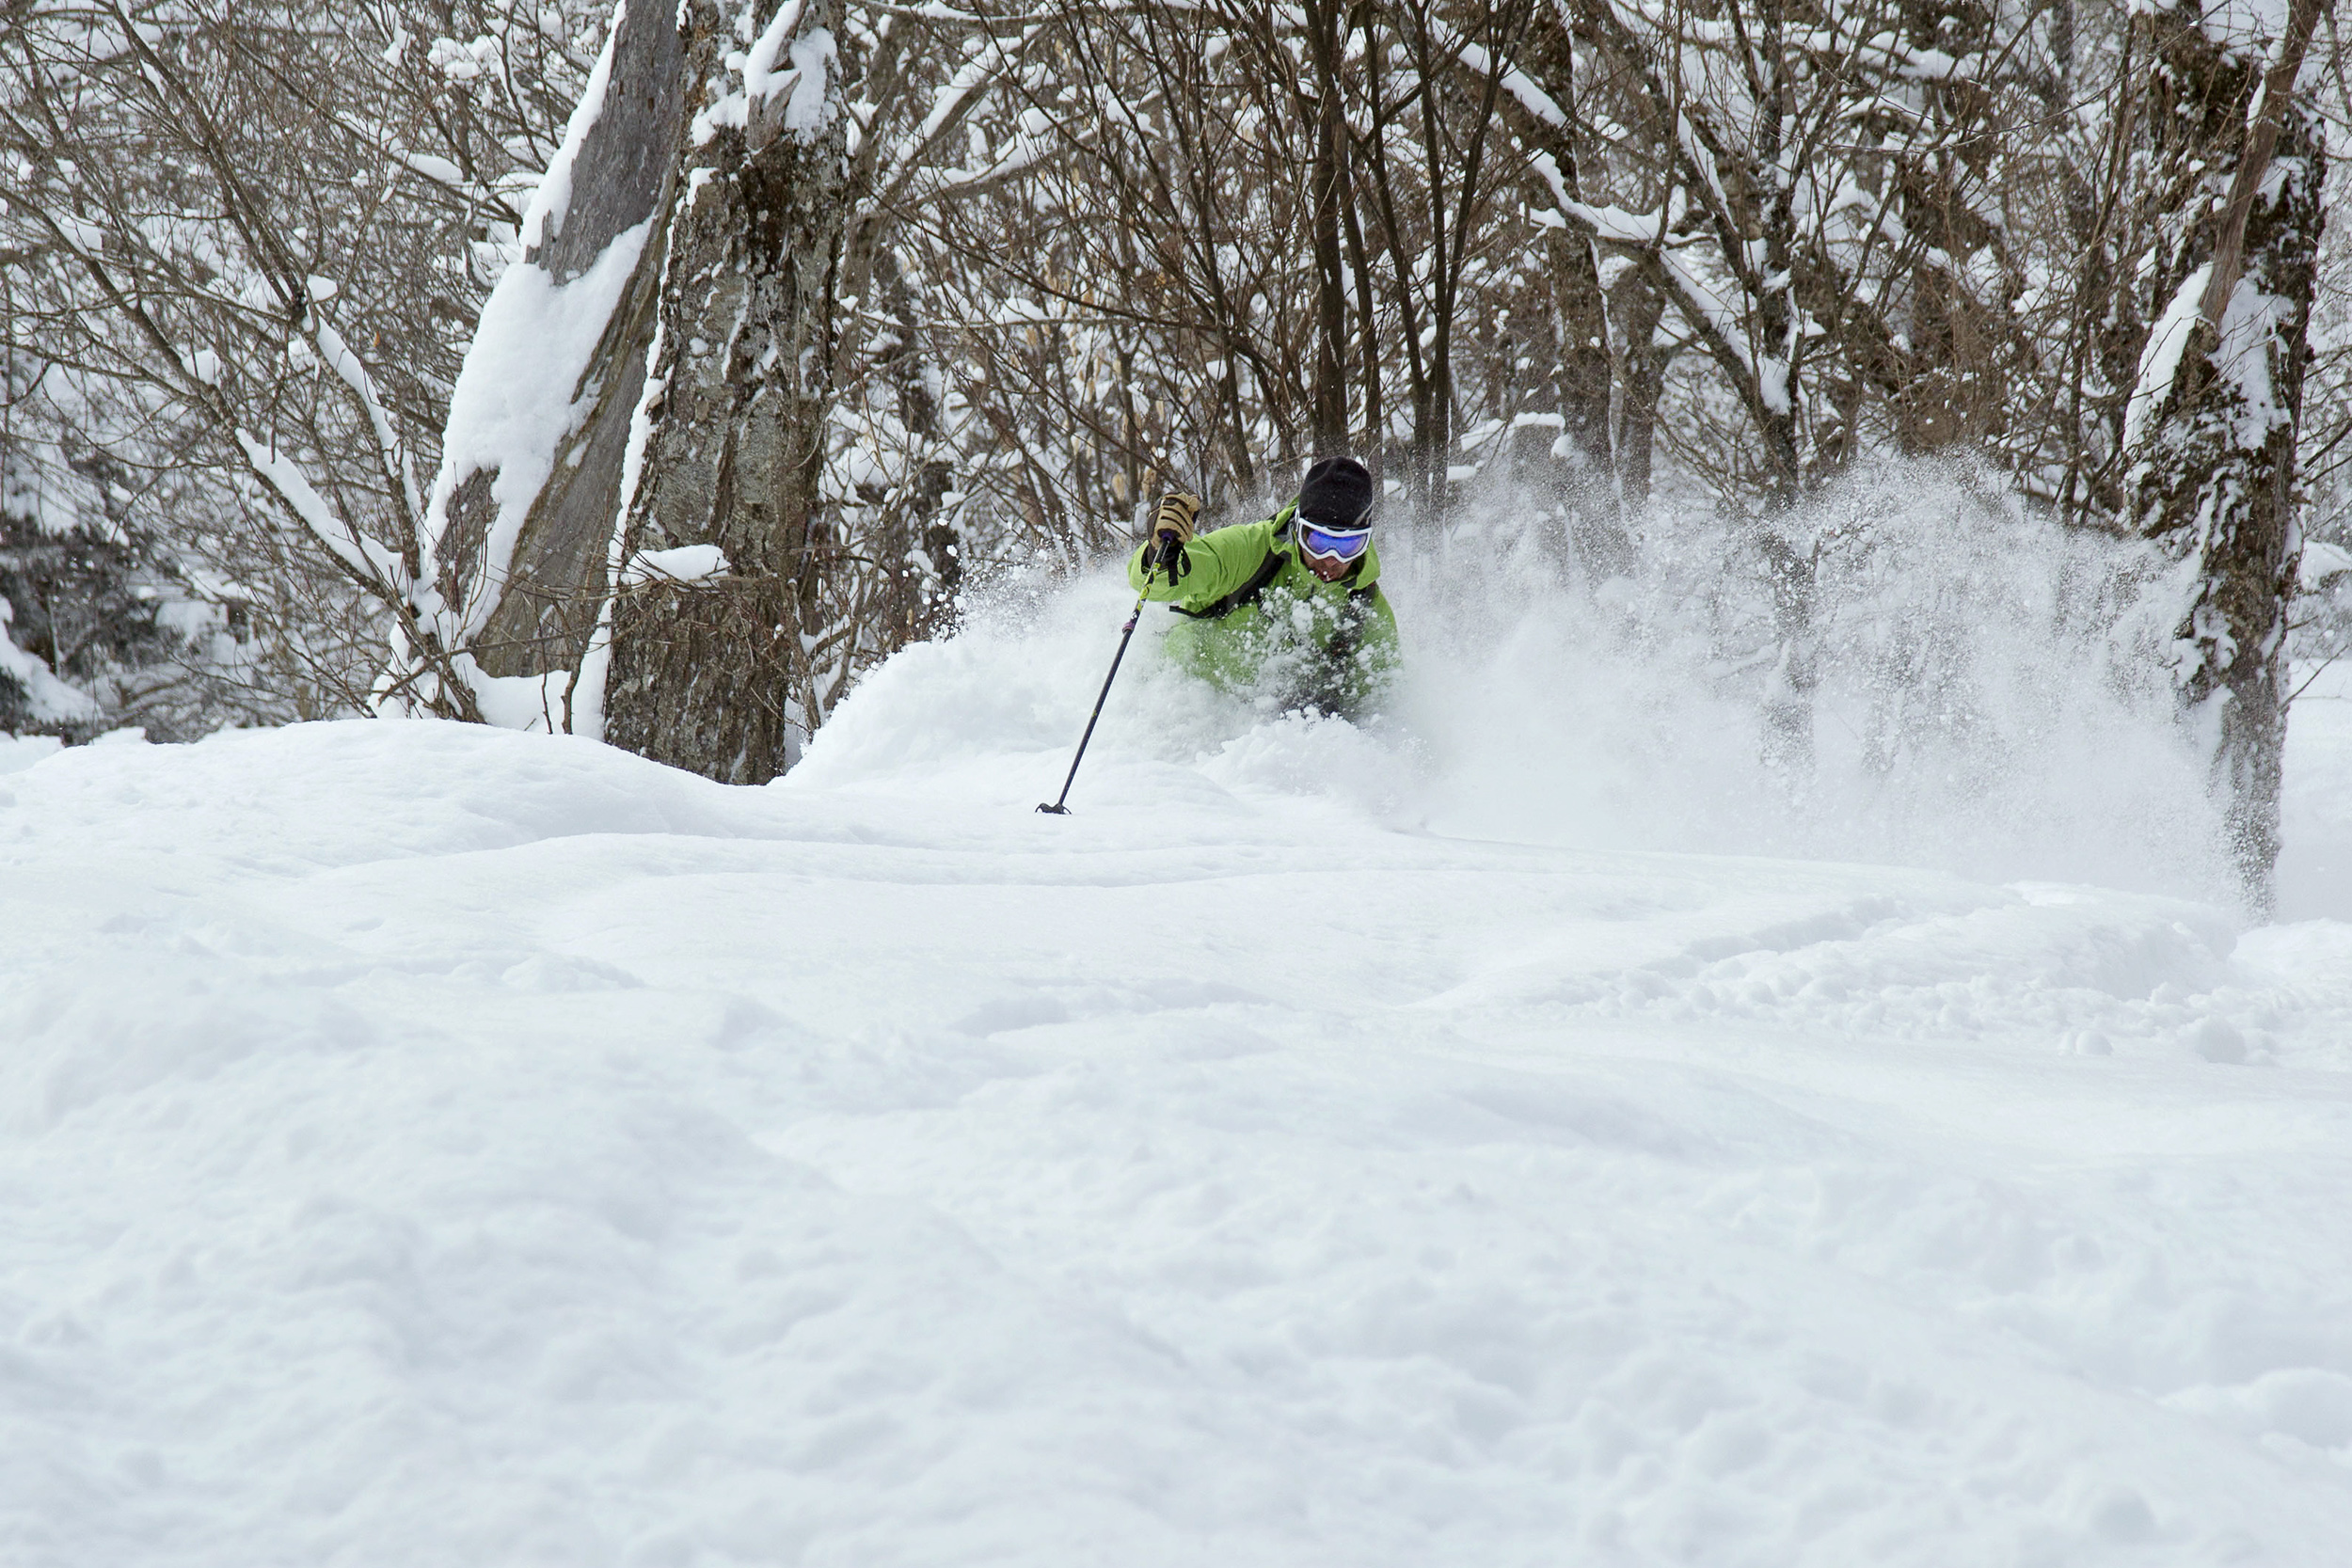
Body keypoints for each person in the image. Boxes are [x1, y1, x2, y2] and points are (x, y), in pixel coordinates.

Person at [1126, 455, 1400, 720]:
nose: (1331, 560)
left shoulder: (1363, 605)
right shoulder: (1250, 551)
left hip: (1267, 739)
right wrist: (1161, 554)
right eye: (1318, 541)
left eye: (1347, 546)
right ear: (1297, 529)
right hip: (1185, 705)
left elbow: (1381, 699)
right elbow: (1155, 583)